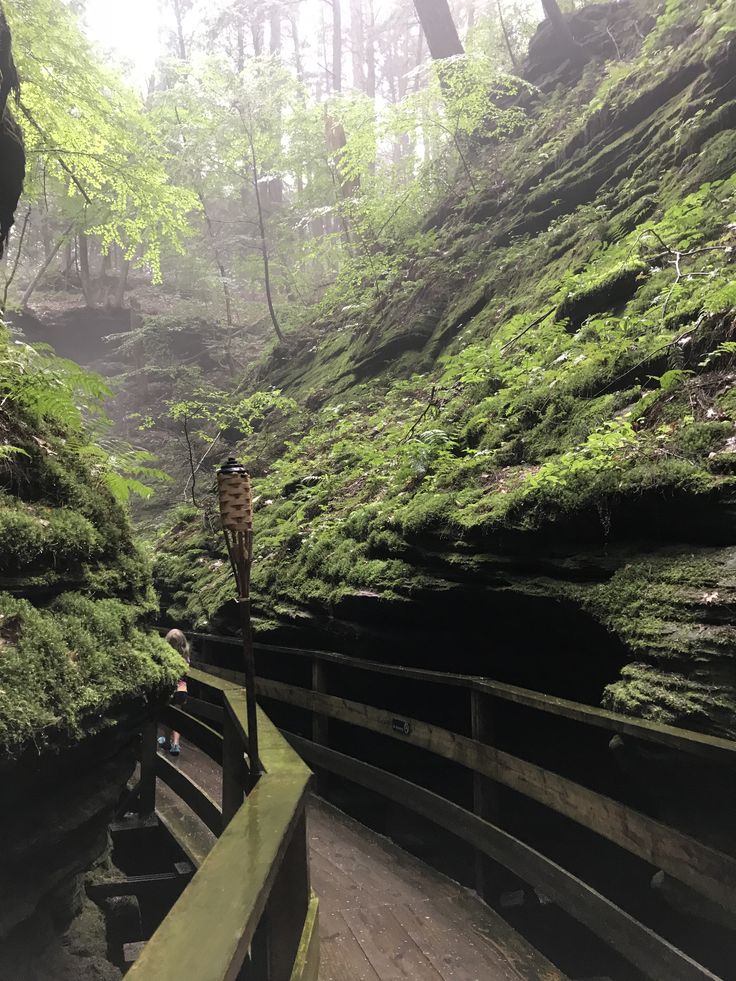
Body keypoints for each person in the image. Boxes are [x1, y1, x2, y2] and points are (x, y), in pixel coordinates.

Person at [158, 628, 190, 756]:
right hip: (182, 689)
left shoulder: (167, 655)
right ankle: (176, 744)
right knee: (177, 717)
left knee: (168, 716)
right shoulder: (185, 656)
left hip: (171, 688)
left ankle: (166, 741)